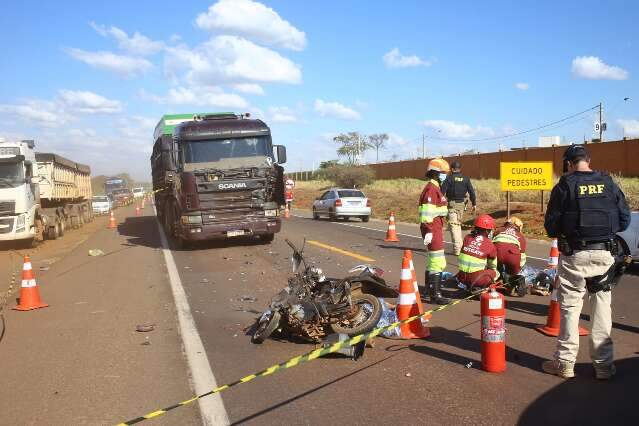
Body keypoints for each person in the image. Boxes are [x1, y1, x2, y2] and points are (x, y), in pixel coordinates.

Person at [542, 145, 630, 380]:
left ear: (569, 164)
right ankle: (603, 365)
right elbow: (624, 219)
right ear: (588, 161)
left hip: (575, 255)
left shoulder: (564, 186)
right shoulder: (608, 183)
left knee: (571, 308)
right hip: (605, 253)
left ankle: (565, 363)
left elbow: (551, 226)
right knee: (602, 308)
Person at [418, 158, 451, 305]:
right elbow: (426, 213)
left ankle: (428, 290)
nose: (445, 175)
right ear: (435, 173)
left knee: (433, 261)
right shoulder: (431, 189)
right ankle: (435, 294)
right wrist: (429, 230)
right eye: (443, 173)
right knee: (438, 261)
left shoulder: (435, 188)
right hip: (433, 229)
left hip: (436, 227)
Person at [441, 161, 477, 255]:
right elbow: (472, 193)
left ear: (452, 169)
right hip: (462, 205)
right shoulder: (466, 179)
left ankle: (458, 249)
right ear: (459, 169)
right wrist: (474, 204)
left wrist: (439, 203)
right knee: (456, 225)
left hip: (452, 205)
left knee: (454, 227)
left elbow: (441, 192)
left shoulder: (449, 178)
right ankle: (460, 247)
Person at [457, 214, 499, 291]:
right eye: (490, 230)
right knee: (495, 272)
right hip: (476, 279)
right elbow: (492, 266)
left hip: (461, 277)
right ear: (487, 231)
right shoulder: (490, 244)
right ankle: (482, 286)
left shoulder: (467, 238)